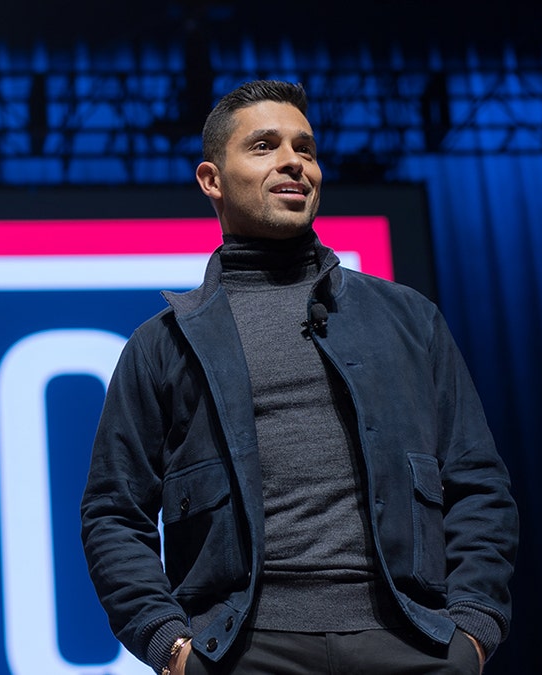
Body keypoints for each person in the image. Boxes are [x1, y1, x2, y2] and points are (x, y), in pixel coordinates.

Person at [80, 80, 518, 675]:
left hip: (410, 642)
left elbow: (477, 485)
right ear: (211, 179)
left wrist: (472, 630)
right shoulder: (164, 344)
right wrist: (171, 647)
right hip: (243, 650)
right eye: (264, 146)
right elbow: (114, 513)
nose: (293, 161)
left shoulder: (409, 318)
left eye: (305, 148)